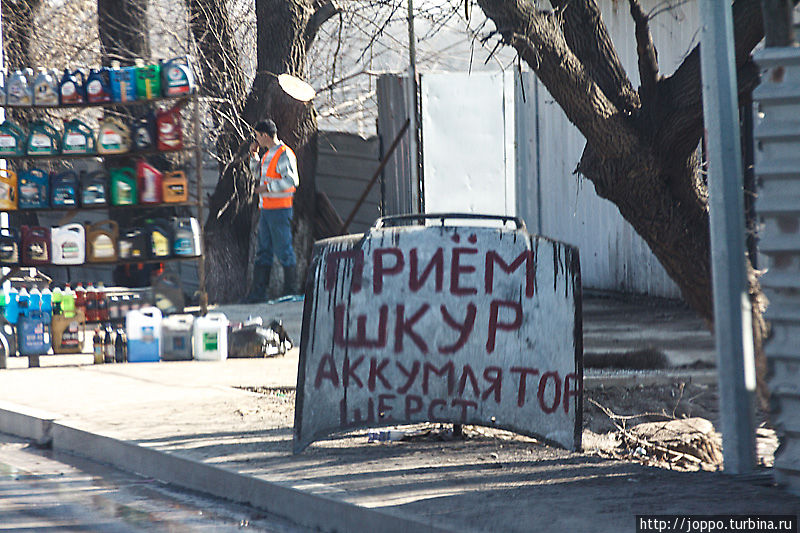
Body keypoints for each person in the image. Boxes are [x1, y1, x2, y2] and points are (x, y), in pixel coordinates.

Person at [245, 119, 300, 302]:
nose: (256, 139)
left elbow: (291, 181)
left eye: (257, 136)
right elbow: (259, 176)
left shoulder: (284, 154)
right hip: (267, 209)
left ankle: (291, 291)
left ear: (265, 135)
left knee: (284, 250)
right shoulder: (268, 154)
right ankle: (259, 293)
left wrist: (266, 189)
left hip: (280, 209)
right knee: (264, 250)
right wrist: (254, 158)